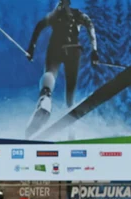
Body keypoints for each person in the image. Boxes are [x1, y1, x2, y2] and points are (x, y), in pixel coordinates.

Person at [24, 0, 98, 138]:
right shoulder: (78, 15)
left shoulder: (55, 15)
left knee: (50, 74)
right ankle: (70, 113)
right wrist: (94, 50)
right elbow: (90, 27)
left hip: (57, 49)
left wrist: (31, 47)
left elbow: (39, 26)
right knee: (69, 90)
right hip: (73, 51)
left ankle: (46, 98)